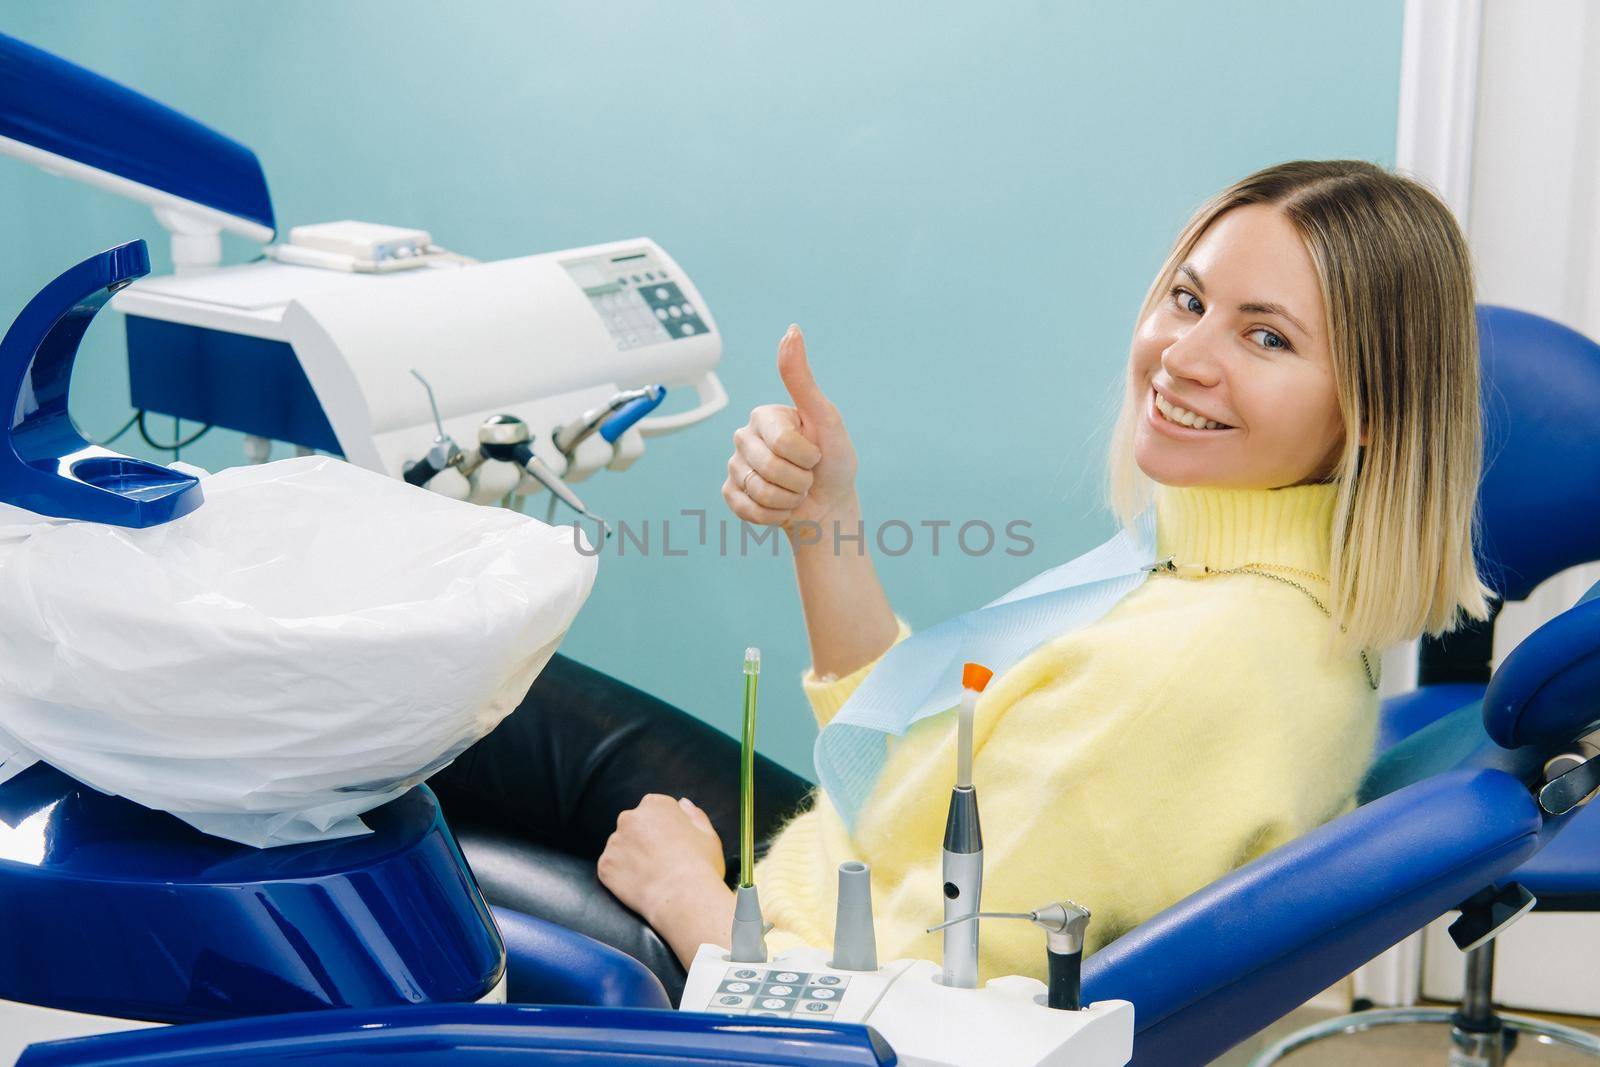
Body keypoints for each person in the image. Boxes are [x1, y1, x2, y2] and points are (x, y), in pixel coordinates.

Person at [429, 159, 1490, 999]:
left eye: (1265, 336)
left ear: (1368, 412)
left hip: (764, 977)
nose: (1182, 356)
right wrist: (822, 516)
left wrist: (682, 891)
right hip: (839, 872)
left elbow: (898, 1016)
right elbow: (912, 761)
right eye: (1187, 298)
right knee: (467, 686)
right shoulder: (1231, 574)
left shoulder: (1203, 666)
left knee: (392, 750)